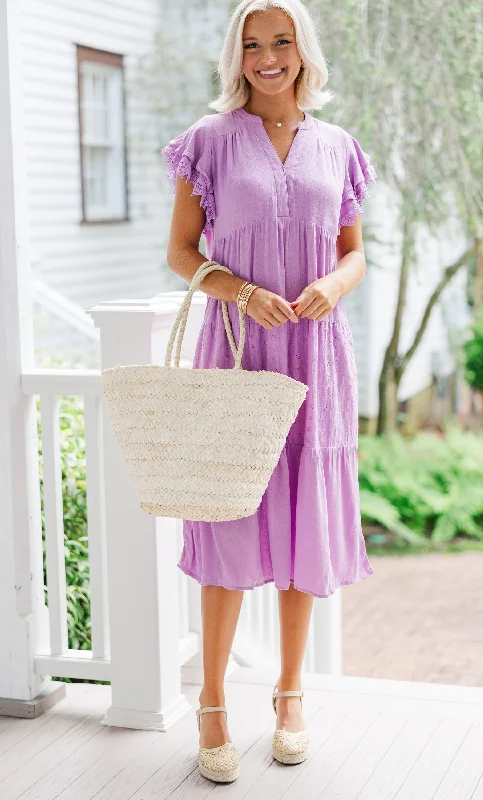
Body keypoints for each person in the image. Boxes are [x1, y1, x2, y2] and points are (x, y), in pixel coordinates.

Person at [162, 0, 376, 783]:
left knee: (302, 528)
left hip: (315, 358)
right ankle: (212, 702)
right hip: (236, 352)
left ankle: (290, 695)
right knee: (227, 522)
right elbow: (182, 252)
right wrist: (239, 291)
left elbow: (355, 252)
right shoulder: (208, 143)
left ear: (302, 49)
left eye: (280, 41)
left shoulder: (339, 146)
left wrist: (331, 283)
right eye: (251, 44)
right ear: (236, 55)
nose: (266, 56)